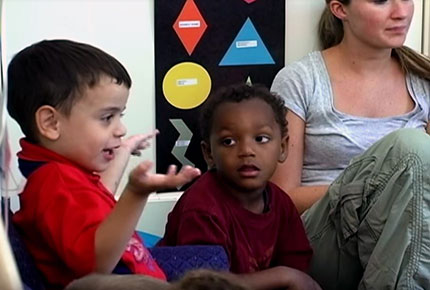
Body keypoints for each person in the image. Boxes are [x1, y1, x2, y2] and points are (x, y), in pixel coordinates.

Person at [7, 39, 201, 290]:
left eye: (121, 116)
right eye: (107, 117)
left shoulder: (61, 172)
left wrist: (124, 151)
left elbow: (96, 200)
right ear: (51, 123)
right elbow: (96, 265)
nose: (120, 129)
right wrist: (136, 192)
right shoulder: (54, 182)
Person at [270, 0, 430, 289]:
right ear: (340, 9)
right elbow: (281, 196)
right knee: (411, 149)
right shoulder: (301, 80)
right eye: (381, 1)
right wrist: (374, 191)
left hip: (406, 237)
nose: (401, 12)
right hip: (324, 241)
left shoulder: (423, 81)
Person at [159, 83, 321, 290]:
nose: (246, 151)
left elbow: (297, 268)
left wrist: (289, 277)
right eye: (228, 142)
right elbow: (204, 285)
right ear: (208, 153)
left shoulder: (280, 203)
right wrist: (283, 276)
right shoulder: (202, 209)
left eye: (261, 139)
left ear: (282, 148)